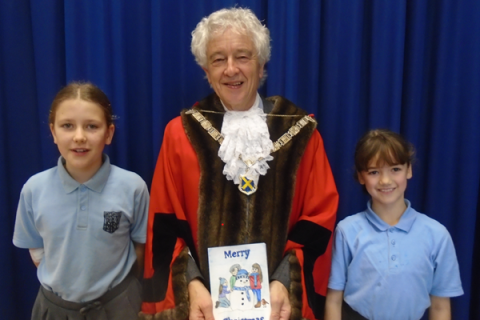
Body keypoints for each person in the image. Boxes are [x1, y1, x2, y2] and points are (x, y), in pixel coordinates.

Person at [141, 7, 338, 320]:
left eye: (243, 56)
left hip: (278, 308)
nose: (231, 69)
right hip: (203, 309)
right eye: (218, 59)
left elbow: (319, 218)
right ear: (206, 71)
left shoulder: (302, 134)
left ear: (261, 66)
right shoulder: (180, 134)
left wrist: (285, 282)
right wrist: (190, 285)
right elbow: (164, 225)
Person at [12, 82, 149, 320]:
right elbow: (37, 251)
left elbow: (140, 247)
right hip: (54, 309)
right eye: (67, 126)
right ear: (53, 132)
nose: (79, 137)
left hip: (119, 307)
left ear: (109, 133)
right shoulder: (34, 189)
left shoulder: (132, 186)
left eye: (91, 126)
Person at [324, 129, 463, 320]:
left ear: (409, 170)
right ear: (361, 176)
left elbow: (440, 307)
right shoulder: (347, 231)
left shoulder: (436, 234)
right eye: (374, 172)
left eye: (395, 169)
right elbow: (333, 300)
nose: (385, 180)